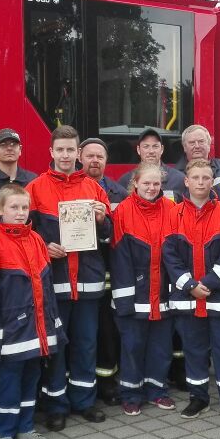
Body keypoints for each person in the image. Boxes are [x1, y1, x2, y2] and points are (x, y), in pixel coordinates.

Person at [27, 125, 113, 431]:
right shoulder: (35, 188)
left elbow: (110, 236)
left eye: (69, 150)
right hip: (56, 285)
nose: (65, 155)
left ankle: (84, 402)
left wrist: (103, 221)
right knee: (57, 347)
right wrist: (43, 246)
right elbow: (22, 234)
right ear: (51, 152)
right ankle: (57, 405)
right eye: (59, 150)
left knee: (86, 344)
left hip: (89, 283)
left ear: (78, 153)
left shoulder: (93, 188)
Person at [0, 184, 66, 439]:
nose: (20, 213)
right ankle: (3, 432)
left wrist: (52, 327)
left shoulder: (36, 239)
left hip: (36, 329)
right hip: (10, 333)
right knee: (9, 381)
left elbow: (46, 289)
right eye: (13, 207)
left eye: (24, 208)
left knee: (31, 378)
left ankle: (26, 428)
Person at [164, 158, 220, 421]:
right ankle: (198, 399)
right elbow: (170, 258)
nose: (201, 182)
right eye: (195, 178)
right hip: (188, 300)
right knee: (194, 351)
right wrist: (190, 286)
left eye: (206, 178)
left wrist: (207, 285)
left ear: (212, 182)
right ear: (186, 181)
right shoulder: (173, 214)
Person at [110, 162, 178, 416]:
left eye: (156, 183)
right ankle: (130, 394)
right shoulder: (123, 211)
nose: (151, 188)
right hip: (134, 297)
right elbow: (119, 261)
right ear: (135, 183)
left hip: (163, 295)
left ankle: (157, 391)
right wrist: (125, 302)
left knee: (161, 346)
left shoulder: (172, 209)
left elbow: (176, 255)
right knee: (132, 347)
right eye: (146, 183)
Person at [79, 138, 129, 405]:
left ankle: (107, 384)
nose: (95, 160)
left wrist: (103, 222)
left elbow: (121, 235)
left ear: (106, 160)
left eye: (100, 156)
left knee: (108, 332)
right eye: (90, 156)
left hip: (109, 274)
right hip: (78, 275)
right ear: (80, 157)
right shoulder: (69, 189)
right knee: (84, 335)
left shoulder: (118, 193)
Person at [176, 124, 220, 203]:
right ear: (184, 147)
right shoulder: (176, 175)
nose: (197, 146)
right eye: (192, 143)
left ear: (209, 144)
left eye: (201, 141)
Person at [118, 127, 186, 201]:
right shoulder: (125, 180)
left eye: (155, 146)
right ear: (138, 150)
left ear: (162, 149)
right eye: (146, 146)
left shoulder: (179, 179)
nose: (151, 151)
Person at [0, 128, 38, 202]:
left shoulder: (33, 180)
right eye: (3, 145)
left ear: (20, 149)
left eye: (13, 144)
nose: (9, 148)